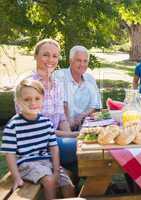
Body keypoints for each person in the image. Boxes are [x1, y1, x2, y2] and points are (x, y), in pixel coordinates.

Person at [1, 79, 75, 199]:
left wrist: (56, 171)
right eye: (27, 99)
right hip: (26, 164)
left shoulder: (46, 122)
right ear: (18, 102)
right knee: (50, 181)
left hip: (46, 162)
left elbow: (54, 148)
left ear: (43, 100)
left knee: (68, 184)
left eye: (37, 98)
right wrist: (16, 178)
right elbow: (10, 154)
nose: (33, 103)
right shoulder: (13, 126)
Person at [19, 39, 78, 180]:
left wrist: (68, 135)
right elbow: (36, 127)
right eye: (46, 55)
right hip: (37, 144)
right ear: (35, 56)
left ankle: (76, 188)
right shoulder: (28, 84)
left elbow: (62, 118)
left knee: (81, 154)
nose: (50, 60)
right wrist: (72, 136)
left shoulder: (56, 84)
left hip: (56, 140)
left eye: (55, 56)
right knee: (81, 149)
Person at [54, 45, 102, 131]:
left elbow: (95, 106)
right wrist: (69, 123)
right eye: (78, 60)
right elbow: (62, 104)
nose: (82, 64)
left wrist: (82, 115)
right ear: (70, 61)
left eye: (85, 61)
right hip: (62, 127)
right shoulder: (59, 76)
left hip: (84, 126)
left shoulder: (90, 79)